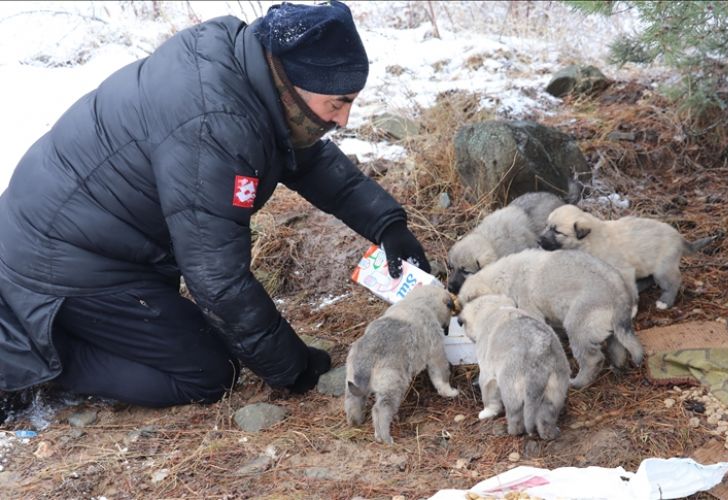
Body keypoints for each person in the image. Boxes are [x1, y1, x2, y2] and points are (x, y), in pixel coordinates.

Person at [0, 0, 430, 419]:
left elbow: (307, 159)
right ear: (291, 86)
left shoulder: (246, 68)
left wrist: (387, 224)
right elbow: (217, 278)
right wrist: (292, 367)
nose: (344, 120)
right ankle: (47, 361)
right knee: (207, 373)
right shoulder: (215, 126)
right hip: (60, 260)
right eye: (336, 103)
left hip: (86, 238)